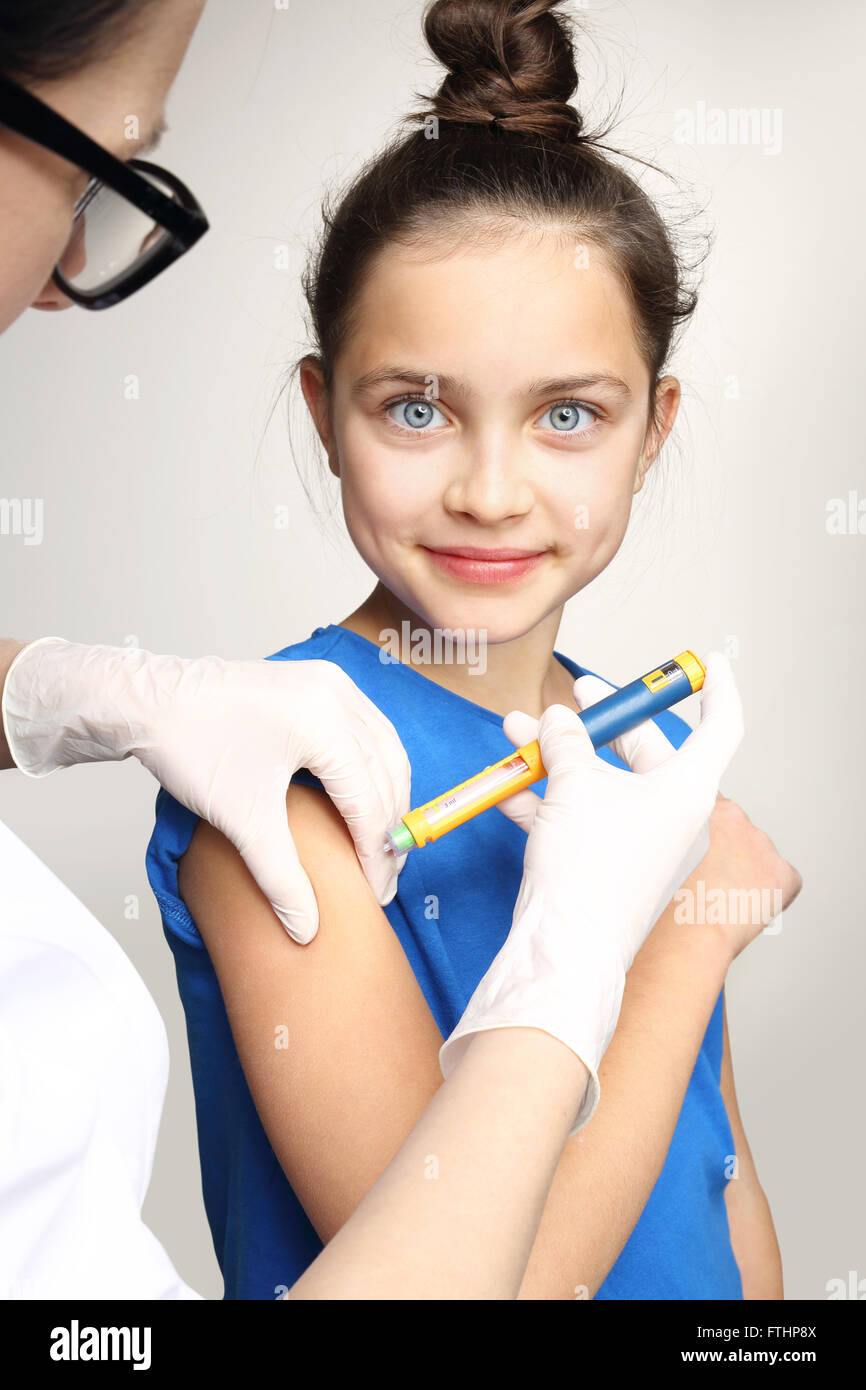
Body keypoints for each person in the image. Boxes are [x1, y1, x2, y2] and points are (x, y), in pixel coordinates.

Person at [0, 0, 771, 1302]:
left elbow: (717, 1185)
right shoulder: (286, 783)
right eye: (416, 408)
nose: (490, 491)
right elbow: (488, 1281)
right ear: (322, 411)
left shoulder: (639, 751)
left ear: (655, 427)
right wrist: (682, 945)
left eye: (568, 415)